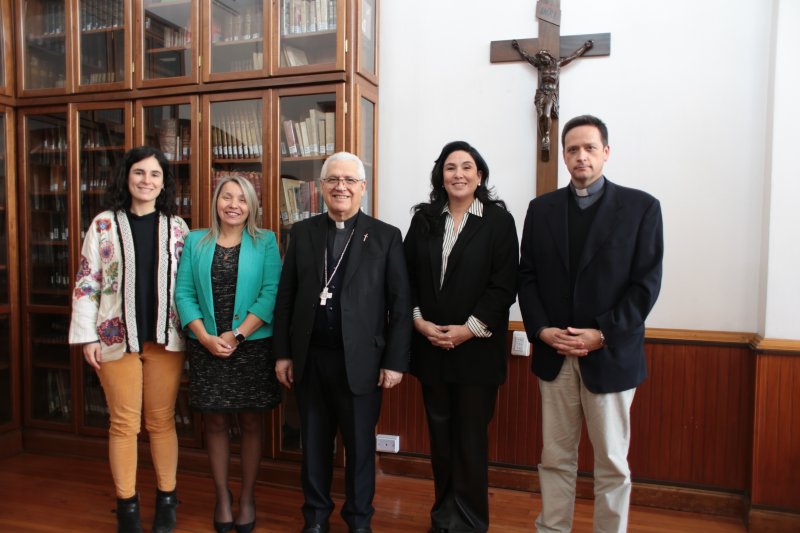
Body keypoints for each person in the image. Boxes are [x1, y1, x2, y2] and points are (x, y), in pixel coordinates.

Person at [518, 115, 664, 533]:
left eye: (589, 148)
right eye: (572, 149)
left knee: (612, 464)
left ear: (606, 152)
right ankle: (552, 528)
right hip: (555, 354)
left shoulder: (641, 208)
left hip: (611, 355)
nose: (580, 156)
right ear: (563, 155)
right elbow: (526, 276)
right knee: (555, 458)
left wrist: (603, 333)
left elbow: (645, 286)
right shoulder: (541, 209)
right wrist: (541, 330)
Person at [273, 152, 412, 533]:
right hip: (311, 359)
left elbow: (400, 305)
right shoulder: (302, 233)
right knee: (314, 446)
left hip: (362, 362)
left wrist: (395, 362)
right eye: (333, 179)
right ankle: (316, 517)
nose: (341, 187)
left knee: (360, 449)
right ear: (321, 187)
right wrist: (283, 354)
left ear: (362, 188)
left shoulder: (385, 236)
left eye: (350, 180)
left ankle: (358, 520)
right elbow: (286, 297)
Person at [69, 146, 190, 533]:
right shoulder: (103, 224)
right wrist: (87, 336)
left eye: (155, 175)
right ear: (126, 177)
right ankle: (127, 507)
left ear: (164, 182)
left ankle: (167, 500)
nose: (146, 181)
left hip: (166, 339)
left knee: (161, 421)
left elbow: (187, 286)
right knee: (123, 423)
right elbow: (88, 281)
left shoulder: (178, 227)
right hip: (114, 337)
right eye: (139, 173)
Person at [404, 141, 519, 533]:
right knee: (440, 439)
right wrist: (418, 321)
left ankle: (469, 522)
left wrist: (468, 330)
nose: (458, 174)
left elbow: (504, 287)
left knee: (470, 440)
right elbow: (405, 279)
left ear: (480, 175)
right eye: (450, 168)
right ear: (441, 176)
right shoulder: (424, 220)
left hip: (476, 352)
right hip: (431, 346)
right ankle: (443, 517)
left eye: (466, 167)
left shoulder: (499, 222)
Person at [175, 175, 282, 533]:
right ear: (216, 202)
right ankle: (222, 496)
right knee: (216, 422)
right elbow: (184, 294)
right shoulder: (195, 241)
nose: (233, 204)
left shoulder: (265, 241)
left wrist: (237, 335)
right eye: (227, 197)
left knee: (251, 422)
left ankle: (248, 496)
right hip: (206, 347)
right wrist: (205, 337)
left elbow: (271, 293)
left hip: (251, 346)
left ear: (252, 206)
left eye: (242, 198)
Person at [511, 39, 593, 160]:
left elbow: (573, 56)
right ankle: (544, 138)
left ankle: (547, 136)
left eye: (543, 58)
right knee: (540, 116)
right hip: (541, 93)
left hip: (551, 93)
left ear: (547, 56)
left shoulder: (558, 64)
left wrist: (584, 47)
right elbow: (526, 57)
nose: (542, 60)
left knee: (547, 114)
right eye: (540, 59)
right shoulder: (540, 66)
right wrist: (518, 48)